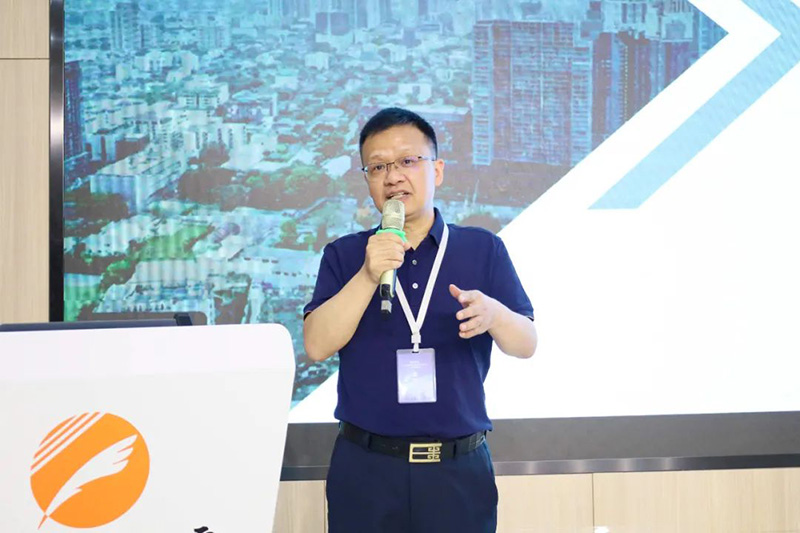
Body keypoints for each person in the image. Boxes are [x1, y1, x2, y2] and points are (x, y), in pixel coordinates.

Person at [303, 107, 537, 532]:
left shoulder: (482, 249)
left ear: (437, 170)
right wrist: (368, 274)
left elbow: (526, 343)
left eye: (408, 161)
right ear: (367, 180)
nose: (393, 176)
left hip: (458, 469)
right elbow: (317, 345)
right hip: (366, 469)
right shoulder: (345, 255)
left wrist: (495, 314)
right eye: (378, 167)